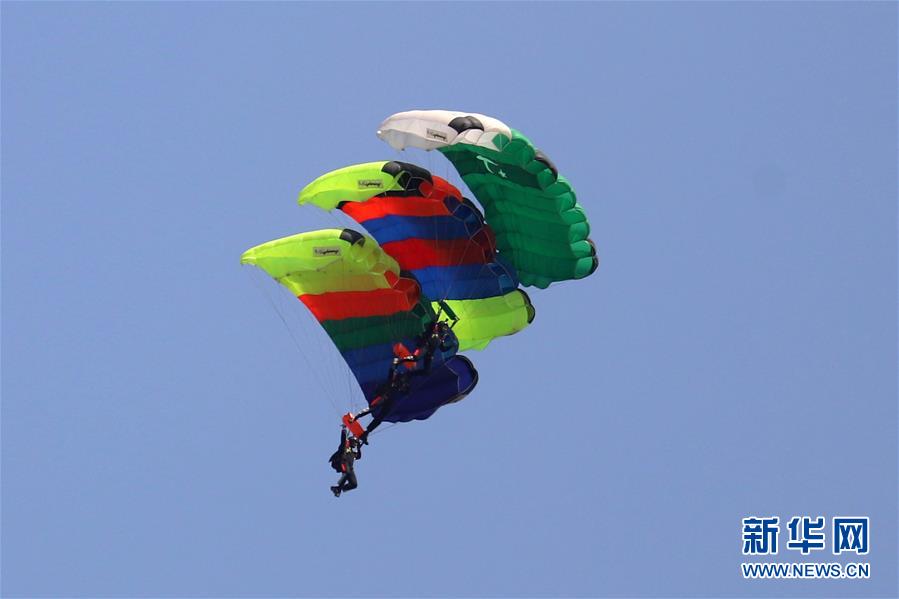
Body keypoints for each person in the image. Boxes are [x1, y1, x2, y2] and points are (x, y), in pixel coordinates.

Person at [329, 426, 362, 497]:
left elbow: (358, 456)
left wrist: (359, 447)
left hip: (350, 468)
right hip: (341, 461)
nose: (355, 444)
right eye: (354, 442)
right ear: (351, 441)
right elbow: (343, 440)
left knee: (354, 484)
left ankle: (339, 488)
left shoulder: (353, 453)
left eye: (356, 443)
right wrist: (344, 429)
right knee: (346, 473)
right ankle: (338, 488)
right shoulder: (345, 447)